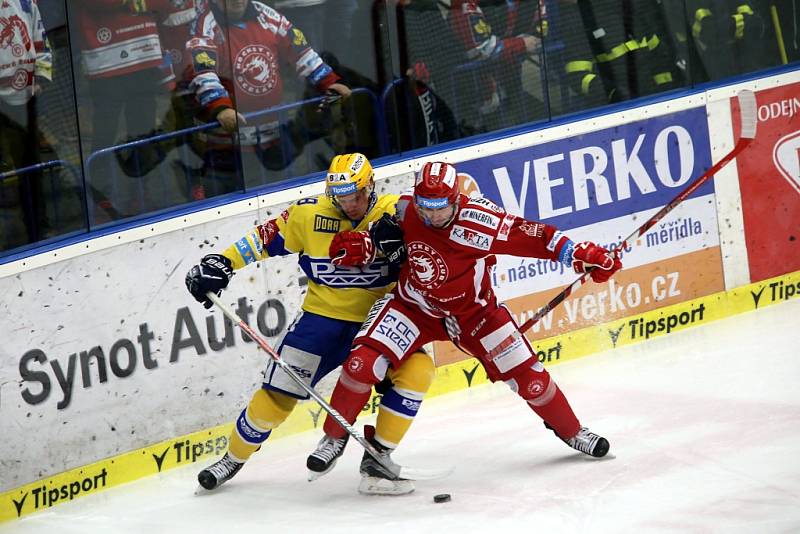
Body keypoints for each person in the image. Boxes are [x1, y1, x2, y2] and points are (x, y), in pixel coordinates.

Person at [306, 161, 622, 478]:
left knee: (533, 381)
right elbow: (387, 237)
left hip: (475, 315)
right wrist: (366, 246)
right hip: (414, 306)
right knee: (362, 363)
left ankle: (572, 431)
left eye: (439, 207)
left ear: (456, 200)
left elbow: (540, 237)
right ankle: (334, 437)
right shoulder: (407, 208)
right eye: (425, 206)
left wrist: (581, 254)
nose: (431, 215)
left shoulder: (479, 223)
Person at [186, 153, 434, 496]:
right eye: (341, 198)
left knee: (418, 373)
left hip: (383, 316)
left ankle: (378, 459)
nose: (349, 205)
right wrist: (222, 262)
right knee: (275, 397)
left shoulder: (397, 210)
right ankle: (232, 458)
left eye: (356, 196)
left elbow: (438, 239)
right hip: (322, 320)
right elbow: (263, 239)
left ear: (371, 185)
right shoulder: (308, 214)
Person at [184, 0, 351, 196]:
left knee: (281, 191)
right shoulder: (204, 24)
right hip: (227, 141)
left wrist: (328, 81)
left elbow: (301, 51)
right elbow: (202, 72)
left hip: (273, 132)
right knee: (228, 196)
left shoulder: (267, 15)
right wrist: (220, 106)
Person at [0, 0, 52, 250]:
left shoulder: (25, 2)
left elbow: (40, 39)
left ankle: (37, 230)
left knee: (29, 167)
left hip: (25, 98)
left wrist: (41, 76)